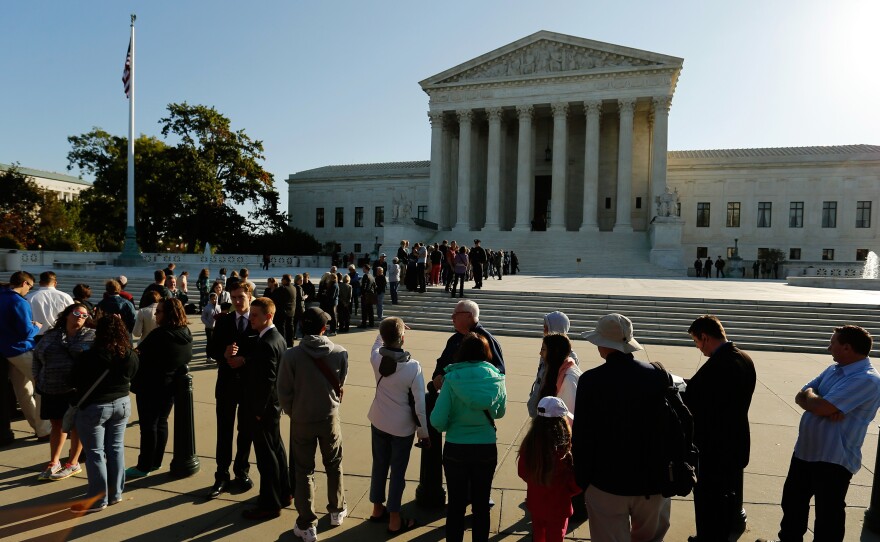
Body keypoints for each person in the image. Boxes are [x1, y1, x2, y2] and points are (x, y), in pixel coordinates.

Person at [756, 325, 880, 542]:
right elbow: (801, 395)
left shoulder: (867, 379)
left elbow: (821, 407)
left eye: (832, 343)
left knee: (828, 517)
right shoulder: (834, 369)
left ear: (847, 348)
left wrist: (819, 402)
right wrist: (818, 400)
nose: (828, 348)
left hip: (833, 459)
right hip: (805, 452)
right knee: (793, 505)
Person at [572, 313, 671, 541]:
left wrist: (583, 480)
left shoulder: (591, 381)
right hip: (652, 482)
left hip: (607, 482)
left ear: (602, 345)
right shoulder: (657, 375)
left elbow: (583, 436)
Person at [278, 307, 349, 542]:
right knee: (334, 463)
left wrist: (294, 411)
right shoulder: (339, 352)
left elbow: (283, 391)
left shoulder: (291, 356)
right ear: (323, 328)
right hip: (329, 416)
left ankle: (307, 523)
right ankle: (337, 509)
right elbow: (340, 382)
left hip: (301, 419)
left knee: (303, 470)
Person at [684, 315, 755, 542]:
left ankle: (709, 537)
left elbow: (699, 402)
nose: (697, 347)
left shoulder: (720, 364)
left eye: (696, 342)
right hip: (735, 440)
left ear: (704, 337)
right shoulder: (744, 357)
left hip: (715, 446)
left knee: (709, 500)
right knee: (726, 497)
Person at [430, 332, 506, 542]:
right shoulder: (496, 378)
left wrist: (451, 425)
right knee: (481, 504)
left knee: (456, 504)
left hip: (456, 447)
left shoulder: (451, 379)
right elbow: (500, 413)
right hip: (486, 446)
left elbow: (437, 420)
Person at [70, 314, 138, 513]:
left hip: (95, 407)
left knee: (95, 453)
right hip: (122, 403)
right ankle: (115, 493)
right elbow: (133, 374)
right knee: (116, 449)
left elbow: (73, 380)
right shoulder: (129, 354)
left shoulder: (89, 356)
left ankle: (98, 499)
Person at [367, 317, 429, 533]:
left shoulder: (376, 358)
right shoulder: (413, 367)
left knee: (379, 465)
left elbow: (377, 344)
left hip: (379, 420)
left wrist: (387, 330)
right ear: (403, 338)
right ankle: (394, 519)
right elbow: (420, 404)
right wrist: (423, 432)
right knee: (397, 473)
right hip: (402, 427)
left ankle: (377, 508)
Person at [235, 297, 291, 520]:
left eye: (255, 315)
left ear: (268, 316)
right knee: (277, 451)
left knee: (266, 458)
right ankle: (284, 493)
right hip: (273, 407)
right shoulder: (277, 338)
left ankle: (269, 504)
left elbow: (267, 381)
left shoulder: (267, 343)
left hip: (263, 410)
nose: (251, 318)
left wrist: (257, 410)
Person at [126, 298, 193, 479]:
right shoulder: (185, 332)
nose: (155, 314)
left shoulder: (160, 334)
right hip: (169, 387)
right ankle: (156, 461)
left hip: (150, 386)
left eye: (159, 312)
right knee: (161, 423)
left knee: (148, 427)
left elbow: (138, 355)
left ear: (169, 313)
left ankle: (145, 464)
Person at [205, 281, 258, 498]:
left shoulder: (258, 320)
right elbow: (211, 349)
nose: (236, 301)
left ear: (250, 297)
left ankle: (241, 471)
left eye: (240, 297)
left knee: (245, 432)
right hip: (226, 384)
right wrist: (224, 354)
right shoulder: (225, 321)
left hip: (248, 386)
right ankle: (221, 474)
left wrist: (245, 359)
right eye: (233, 297)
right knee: (224, 431)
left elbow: (270, 351)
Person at [32, 302, 94, 481]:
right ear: (67, 314)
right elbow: (37, 357)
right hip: (50, 388)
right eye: (77, 313)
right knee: (57, 425)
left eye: (84, 315)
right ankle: (54, 461)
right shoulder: (51, 335)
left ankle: (73, 462)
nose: (81, 317)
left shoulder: (91, 336)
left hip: (75, 390)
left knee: (76, 425)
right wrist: (37, 377)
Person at [518, 396, 581, 542]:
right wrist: (568, 492)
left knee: (539, 535)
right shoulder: (564, 453)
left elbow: (522, 472)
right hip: (559, 507)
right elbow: (576, 483)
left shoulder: (530, 446)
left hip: (536, 504)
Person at [0, 271, 51, 441]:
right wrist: (36, 326)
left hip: (6, 350)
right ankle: (44, 429)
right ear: (24, 283)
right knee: (42, 386)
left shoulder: (2, 297)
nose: (29, 289)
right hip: (21, 349)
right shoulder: (18, 302)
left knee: (23, 390)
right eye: (30, 285)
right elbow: (25, 332)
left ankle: (38, 427)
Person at [433, 300, 505, 391]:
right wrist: (438, 375)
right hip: (451, 392)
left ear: (469, 315)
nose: (452, 316)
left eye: (456, 314)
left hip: (477, 395)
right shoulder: (454, 339)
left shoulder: (486, 340)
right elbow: (442, 362)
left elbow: (499, 372)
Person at [527, 311, 579, 418]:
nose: (544, 330)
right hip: (540, 406)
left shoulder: (569, 357)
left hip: (551, 412)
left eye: (546, 327)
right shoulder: (547, 351)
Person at [535, 334, 581, 415]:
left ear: (554, 352)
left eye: (543, 349)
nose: (540, 353)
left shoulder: (569, 379)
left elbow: (570, 416)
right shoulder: (557, 370)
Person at [27, 271, 74, 337]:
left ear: (40, 283)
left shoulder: (30, 297)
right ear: (55, 283)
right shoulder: (65, 297)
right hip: (59, 334)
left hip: (37, 334)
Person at [271, 274, 296, 347]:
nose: (281, 281)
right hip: (291, 311)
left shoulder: (283, 288)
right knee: (290, 327)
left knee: (282, 328)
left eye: (282, 279)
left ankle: (283, 343)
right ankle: (290, 343)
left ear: (285, 280)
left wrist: (274, 288)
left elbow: (274, 296)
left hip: (283, 312)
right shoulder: (293, 288)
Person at [359, 264, 376, 328]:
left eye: (363, 268)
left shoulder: (366, 276)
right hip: (371, 294)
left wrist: (362, 293)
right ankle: (371, 323)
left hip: (366, 295)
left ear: (366, 269)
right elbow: (374, 286)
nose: (362, 269)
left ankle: (364, 324)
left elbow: (365, 286)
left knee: (364, 310)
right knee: (370, 310)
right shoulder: (371, 276)